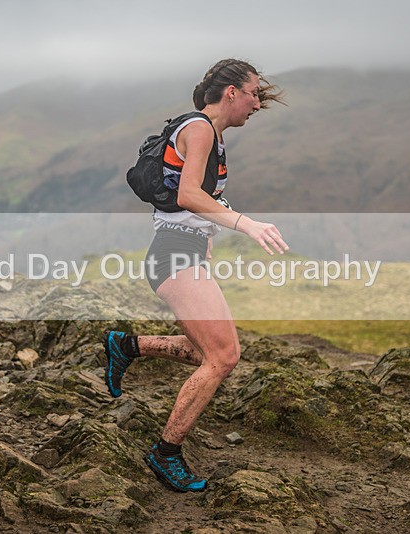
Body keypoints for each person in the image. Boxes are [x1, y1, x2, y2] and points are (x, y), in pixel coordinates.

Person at [103, 59, 288, 492]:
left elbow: (192, 200)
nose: (257, 103)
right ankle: (165, 454)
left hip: (182, 253)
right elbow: (187, 195)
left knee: (210, 349)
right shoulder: (201, 129)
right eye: (253, 93)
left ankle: (127, 345)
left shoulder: (209, 134)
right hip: (172, 257)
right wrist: (246, 223)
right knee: (223, 357)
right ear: (230, 93)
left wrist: (207, 237)